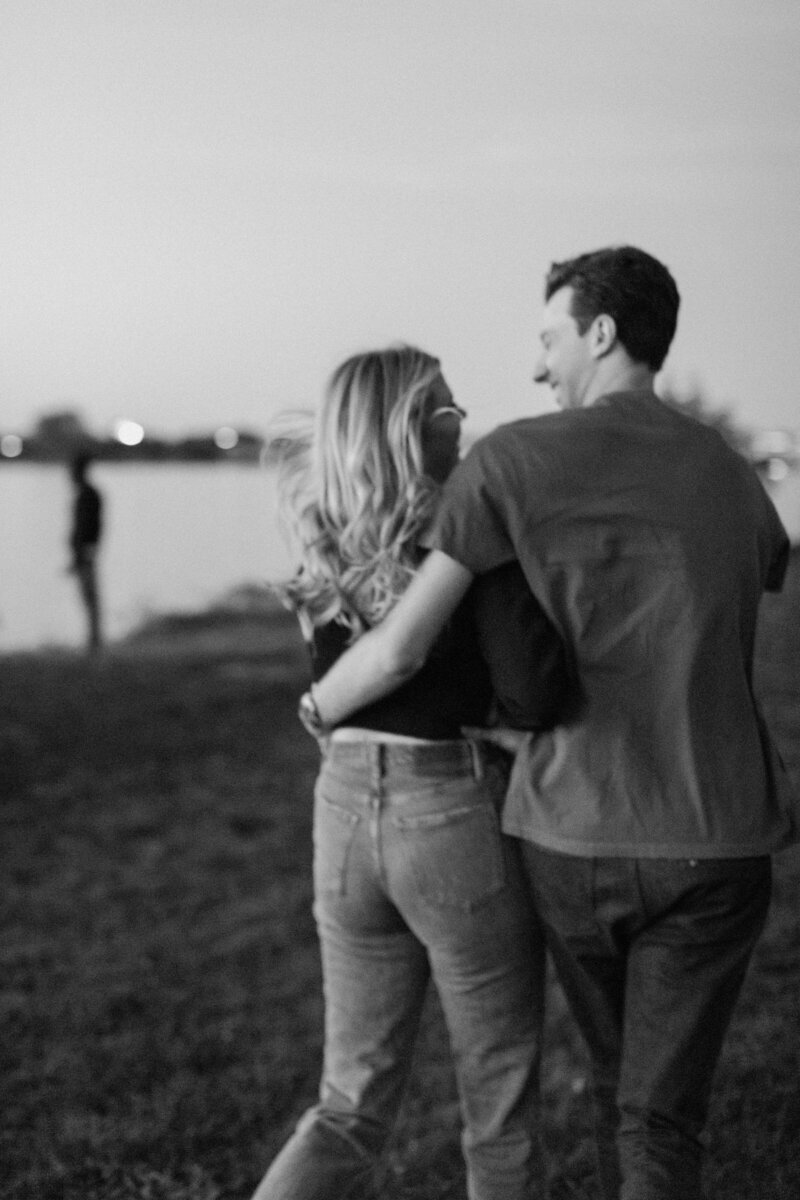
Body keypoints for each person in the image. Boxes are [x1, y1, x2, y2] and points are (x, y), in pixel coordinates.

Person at [306, 248, 795, 1200]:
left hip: (572, 832)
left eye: (548, 338)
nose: (537, 368)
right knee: (660, 1115)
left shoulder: (512, 462)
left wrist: (319, 704)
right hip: (721, 833)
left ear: (601, 333)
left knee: (620, 1090)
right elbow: (765, 569)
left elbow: (406, 640)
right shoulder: (734, 475)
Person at [251, 346, 568, 1200]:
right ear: (410, 429)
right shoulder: (466, 536)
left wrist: (321, 713)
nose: (463, 428)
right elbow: (535, 689)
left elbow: (337, 691)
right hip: (448, 811)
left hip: (343, 812)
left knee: (348, 1102)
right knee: (498, 1107)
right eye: (450, 414)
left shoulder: (323, 538)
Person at [68, 452, 103, 651]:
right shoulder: (86, 494)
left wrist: (82, 553)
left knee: (90, 598)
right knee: (88, 598)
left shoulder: (88, 495)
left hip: (86, 554)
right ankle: (93, 641)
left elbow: (88, 527)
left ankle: (94, 643)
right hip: (85, 553)